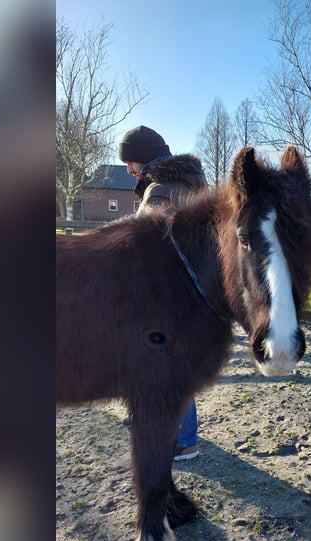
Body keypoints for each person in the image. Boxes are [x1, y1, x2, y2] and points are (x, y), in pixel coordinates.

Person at [118, 125, 206, 461]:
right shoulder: (186, 183)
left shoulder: (160, 191)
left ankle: (183, 441)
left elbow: (141, 247)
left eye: (130, 161)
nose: (128, 169)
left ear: (143, 157)